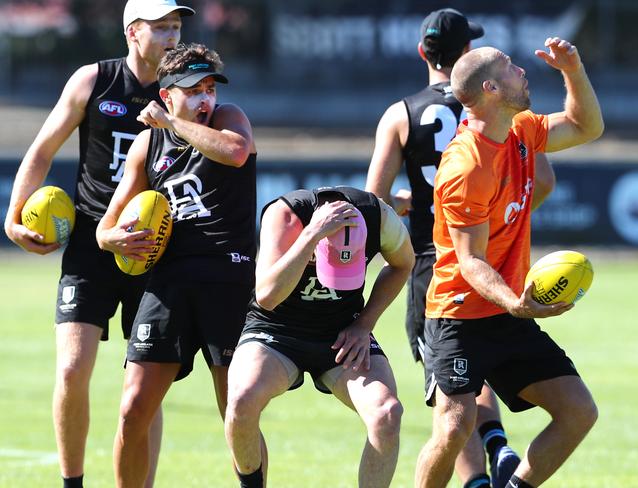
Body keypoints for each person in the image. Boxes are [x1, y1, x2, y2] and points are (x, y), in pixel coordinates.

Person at [3, 1, 194, 486]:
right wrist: (13, 216)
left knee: (145, 391)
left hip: (154, 250)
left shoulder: (187, 92)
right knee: (70, 370)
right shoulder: (94, 80)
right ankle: (73, 482)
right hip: (91, 246)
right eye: (162, 28)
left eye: (176, 27)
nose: (173, 36)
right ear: (133, 32)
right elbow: (43, 148)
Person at [365, 9, 555, 487]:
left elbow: (373, 199)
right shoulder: (499, 112)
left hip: (434, 261)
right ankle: (496, 445)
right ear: (469, 55)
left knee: (450, 401)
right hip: (483, 255)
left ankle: (478, 473)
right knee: (469, 380)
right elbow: (544, 179)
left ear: (421, 53)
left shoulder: (401, 113)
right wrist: (507, 212)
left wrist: (399, 205)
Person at [414, 37, 603, 488]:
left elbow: (585, 126)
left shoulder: (519, 130)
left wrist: (573, 70)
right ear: (491, 90)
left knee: (578, 410)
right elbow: (471, 260)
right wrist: (515, 302)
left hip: (505, 312)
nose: (522, 71)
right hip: (458, 314)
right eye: (511, 68)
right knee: (455, 426)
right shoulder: (466, 166)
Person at [95, 42, 256, 487]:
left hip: (228, 278)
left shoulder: (229, 119)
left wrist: (175, 123)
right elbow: (105, 228)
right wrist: (115, 239)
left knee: (237, 413)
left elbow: (235, 152)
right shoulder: (147, 143)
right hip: (167, 285)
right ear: (166, 94)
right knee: (132, 411)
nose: (206, 99)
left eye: (209, 88)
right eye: (193, 90)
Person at [224, 186, 415, 488]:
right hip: (276, 329)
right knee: (240, 400)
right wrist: (311, 236)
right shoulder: (285, 216)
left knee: (387, 414)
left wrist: (364, 324)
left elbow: (404, 263)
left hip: (342, 332)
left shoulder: (377, 216)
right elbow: (266, 296)